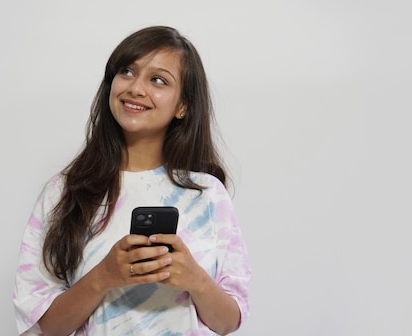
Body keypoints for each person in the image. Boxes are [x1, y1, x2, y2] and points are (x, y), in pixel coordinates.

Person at [13, 25, 251, 336]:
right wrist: (104, 276)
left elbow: (228, 322)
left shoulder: (207, 195)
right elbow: (38, 329)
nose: (136, 88)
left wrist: (194, 279)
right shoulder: (65, 192)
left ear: (183, 105)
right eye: (127, 71)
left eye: (158, 80)